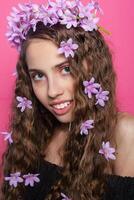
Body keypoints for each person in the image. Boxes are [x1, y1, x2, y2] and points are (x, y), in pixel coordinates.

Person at [1, 1, 134, 200]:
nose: (52, 91)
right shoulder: (32, 135)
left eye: (66, 69)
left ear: (92, 66)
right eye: (38, 76)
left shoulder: (124, 134)